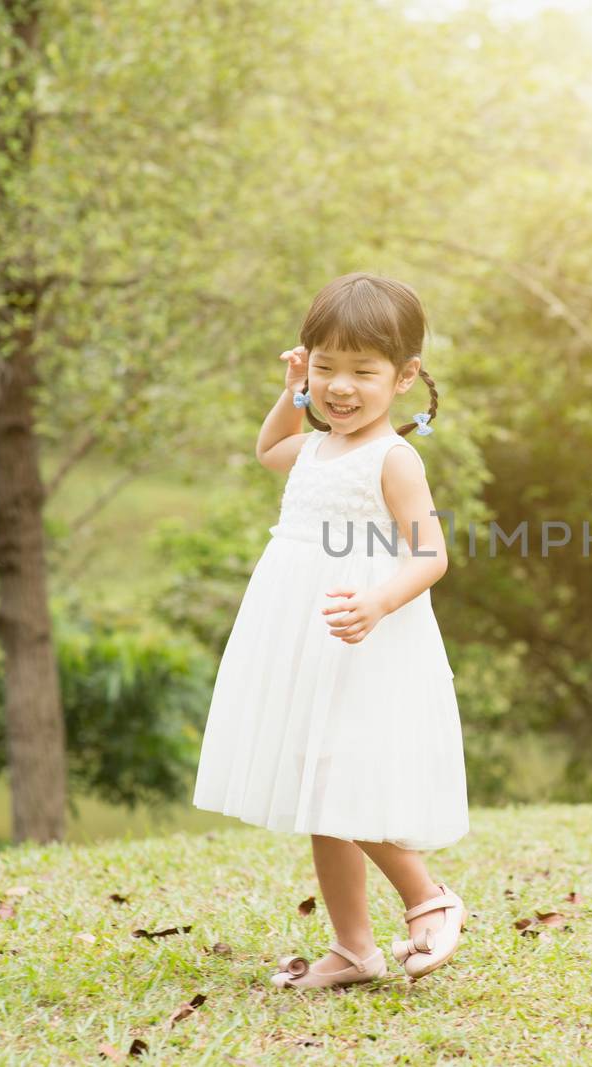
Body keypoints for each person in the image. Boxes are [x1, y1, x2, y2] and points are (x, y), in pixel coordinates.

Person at [191, 272, 469, 989]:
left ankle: (428, 897)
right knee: (318, 786)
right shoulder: (313, 450)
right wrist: (292, 392)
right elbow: (269, 448)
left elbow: (432, 554)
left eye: (362, 372)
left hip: (362, 635)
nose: (340, 387)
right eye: (325, 368)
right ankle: (353, 949)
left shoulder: (394, 459)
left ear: (404, 377)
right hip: (301, 633)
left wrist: (378, 603)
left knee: (336, 776)